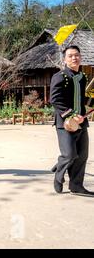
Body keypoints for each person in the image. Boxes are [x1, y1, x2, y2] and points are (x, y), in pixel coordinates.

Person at [50, 45, 93, 196]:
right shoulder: (60, 76)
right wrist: (70, 114)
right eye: (70, 56)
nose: (74, 58)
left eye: (77, 55)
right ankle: (58, 174)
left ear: (80, 57)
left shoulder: (82, 78)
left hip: (81, 122)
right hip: (65, 123)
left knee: (82, 155)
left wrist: (91, 104)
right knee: (69, 154)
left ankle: (76, 186)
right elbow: (54, 99)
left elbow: (82, 99)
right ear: (65, 59)